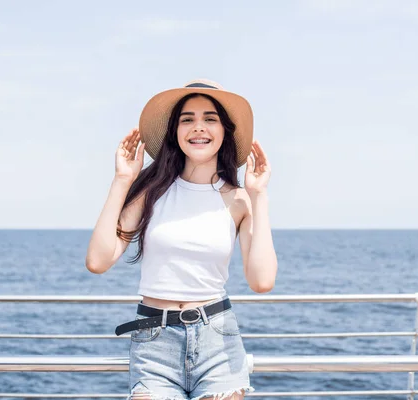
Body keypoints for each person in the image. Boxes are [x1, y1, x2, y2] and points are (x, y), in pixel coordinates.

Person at [86, 79, 278, 400]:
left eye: (210, 119)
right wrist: (122, 180)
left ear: (224, 132)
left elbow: (262, 281)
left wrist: (259, 196)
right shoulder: (151, 192)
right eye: (187, 119)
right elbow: (98, 261)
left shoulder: (240, 200)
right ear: (175, 131)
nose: (198, 127)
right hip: (154, 340)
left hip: (217, 338)